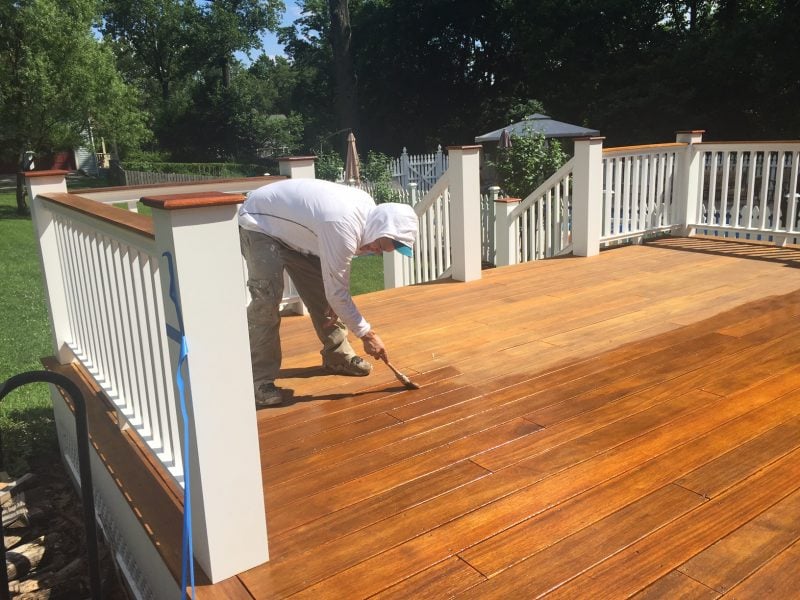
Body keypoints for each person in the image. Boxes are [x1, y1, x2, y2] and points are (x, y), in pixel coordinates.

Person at [238, 178, 418, 408]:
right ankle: (260, 380)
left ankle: (337, 357)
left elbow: (336, 288)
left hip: (297, 235)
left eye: (381, 252)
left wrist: (336, 297)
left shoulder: (366, 217)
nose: (375, 252)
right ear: (381, 226)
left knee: (327, 297)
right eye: (380, 246)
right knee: (267, 301)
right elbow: (338, 292)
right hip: (260, 223)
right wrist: (368, 336)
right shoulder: (343, 223)